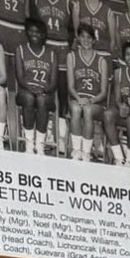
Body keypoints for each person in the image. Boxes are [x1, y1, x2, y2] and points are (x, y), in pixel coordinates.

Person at [32, 0, 73, 153]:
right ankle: (47, 131)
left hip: (62, 47)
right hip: (44, 45)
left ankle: (61, 136)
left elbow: (73, 30)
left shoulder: (69, 3)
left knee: (62, 93)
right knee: (44, 89)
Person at [66, 20, 109, 160]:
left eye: (89, 37)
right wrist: (79, 99)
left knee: (88, 110)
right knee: (77, 109)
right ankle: (76, 150)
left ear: (94, 40)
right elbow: (71, 86)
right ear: (78, 38)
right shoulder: (71, 56)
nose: (85, 40)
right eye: (82, 37)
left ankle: (86, 152)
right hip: (77, 98)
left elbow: (103, 92)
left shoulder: (101, 61)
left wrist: (90, 100)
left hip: (95, 102)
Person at [15, 17, 56, 155]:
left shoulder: (51, 53)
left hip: (45, 92)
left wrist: (44, 90)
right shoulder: (20, 49)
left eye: (38, 32)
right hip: (25, 90)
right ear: (27, 32)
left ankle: (39, 144)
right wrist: (31, 88)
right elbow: (20, 78)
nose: (34, 34)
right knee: (29, 99)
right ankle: (29, 143)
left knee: (42, 100)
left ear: (43, 34)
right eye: (31, 31)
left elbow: (53, 82)